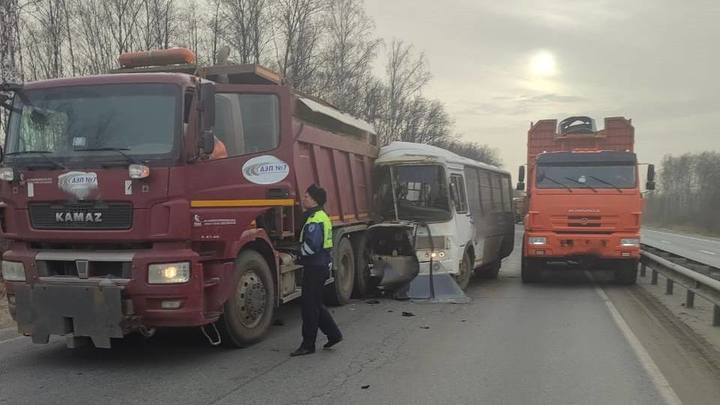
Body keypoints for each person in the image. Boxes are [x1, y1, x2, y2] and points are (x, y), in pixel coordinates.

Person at [290, 184, 343, 357]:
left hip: (314, 266)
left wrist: (297, 254)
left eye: (306, 196)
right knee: (315, 304)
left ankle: (308, 344)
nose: (303, 199)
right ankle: (334, 334)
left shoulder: (315, 219)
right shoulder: (320, 216)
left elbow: (312, 246)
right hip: (319, 265)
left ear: (314, 199)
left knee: (309, 307)